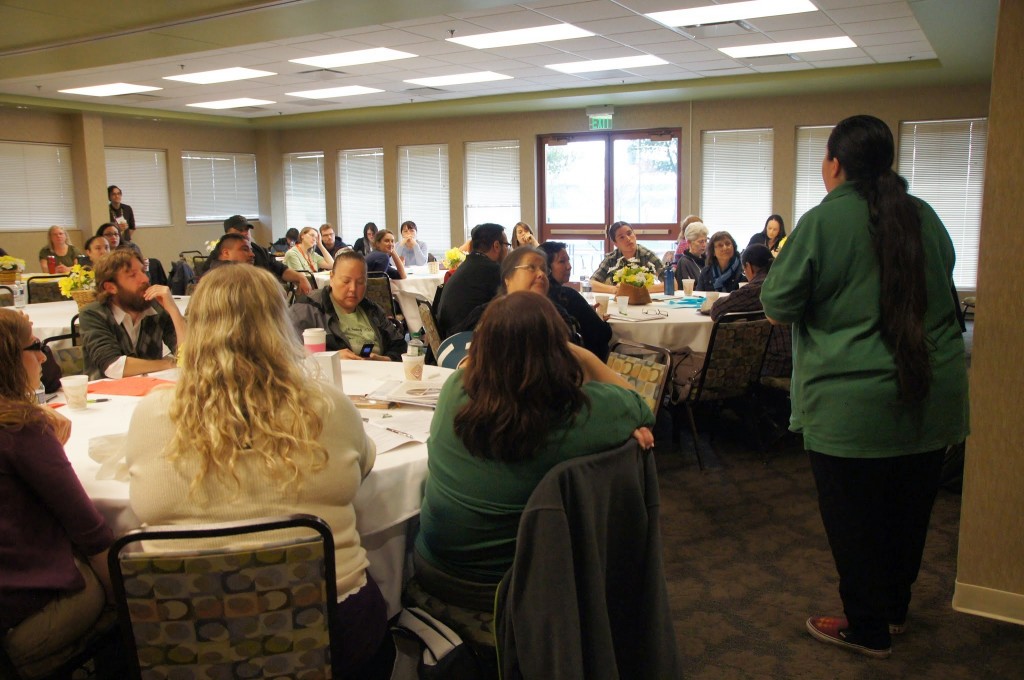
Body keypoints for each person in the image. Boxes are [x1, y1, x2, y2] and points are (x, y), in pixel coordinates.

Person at [760, 114, 969, 659]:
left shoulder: (825, 221)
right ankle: (893, 612)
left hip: (851, 402)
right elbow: (944, 292)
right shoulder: (924, 214)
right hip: (930, 391)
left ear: (834, 163)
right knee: (908, 512)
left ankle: (867, 629)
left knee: (854, 522)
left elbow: (778, 304)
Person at [123, 264, 388, 677]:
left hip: (186, 629)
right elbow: (365, 463)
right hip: (332, 626)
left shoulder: (154, 414)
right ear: (279, 325)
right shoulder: (327, 406)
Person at [412, 291, 654, 620]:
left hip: (431, 568)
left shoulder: (455, 389)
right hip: (517, 589)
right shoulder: (582, 413)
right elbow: (641, 406)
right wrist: (579, 353)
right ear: (558, 349)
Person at [0, 309, 116, 678]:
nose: (43, 356)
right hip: (21, 622)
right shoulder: (20, 430)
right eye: (33, 346)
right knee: (122, 589)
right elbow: (89, 530)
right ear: (7, 359)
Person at [79, 249, 186, 380]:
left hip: (150, 389)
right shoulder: (93, 314)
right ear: (110, 287)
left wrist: (173, 311)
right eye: (133, 275)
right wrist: (169, 363)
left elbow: (189, 355)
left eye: (143, 271)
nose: (145, 279)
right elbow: (113, 366)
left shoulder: (157, 309)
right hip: (105, 394)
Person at [289, 250, 407, 361]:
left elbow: (400, 345)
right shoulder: (308, 309)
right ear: (332, 278)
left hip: (376, 375)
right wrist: (332, 357)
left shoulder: (371, 309)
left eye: (360, 282)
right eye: (346, 281)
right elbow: (287, 351)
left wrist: (385, 359)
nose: (353, 289)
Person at [709, 244, 791, 377]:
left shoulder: (758, 287)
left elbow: (717, 310)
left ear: (749, 266)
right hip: (798, 357)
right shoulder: (786, 281)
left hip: (774, 362)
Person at [540, 241, 612, 361]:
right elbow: (604, 334)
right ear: (546, 268)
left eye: (568, 260)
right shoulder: (567, 295)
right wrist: (597, 317)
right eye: (562, 261)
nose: (569, 266)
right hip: (588, 365)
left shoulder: (534, 297)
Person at [436, 223, 508, 338]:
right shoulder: (492, 269)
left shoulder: (470, 263)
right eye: (507, 245)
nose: (508, 250)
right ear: (496, 246)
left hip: (448, 332)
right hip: (462, 339)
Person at [224, 215, 312, 295]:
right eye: (240, 230)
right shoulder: (219, 255)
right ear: (227, 234)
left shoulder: (260, 251)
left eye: (247, 230)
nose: (245, 233)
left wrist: (301, 278)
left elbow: (281, 269)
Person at [589, 221, 665, 294]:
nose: (628, 239)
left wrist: (643, 289)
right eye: (622, 237)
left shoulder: (647, 255)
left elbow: (672, 284)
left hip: (643, 300)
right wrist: (614, 289)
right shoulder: (611, 258)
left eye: (629, 233)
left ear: (635, 235)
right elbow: (591, 283)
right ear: (615, 243)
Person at [674, 221, 709, 287]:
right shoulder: (684, 262)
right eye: (701, 242)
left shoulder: (707, 260)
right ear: (689, 242)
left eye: (705, 241)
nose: (704, 245)